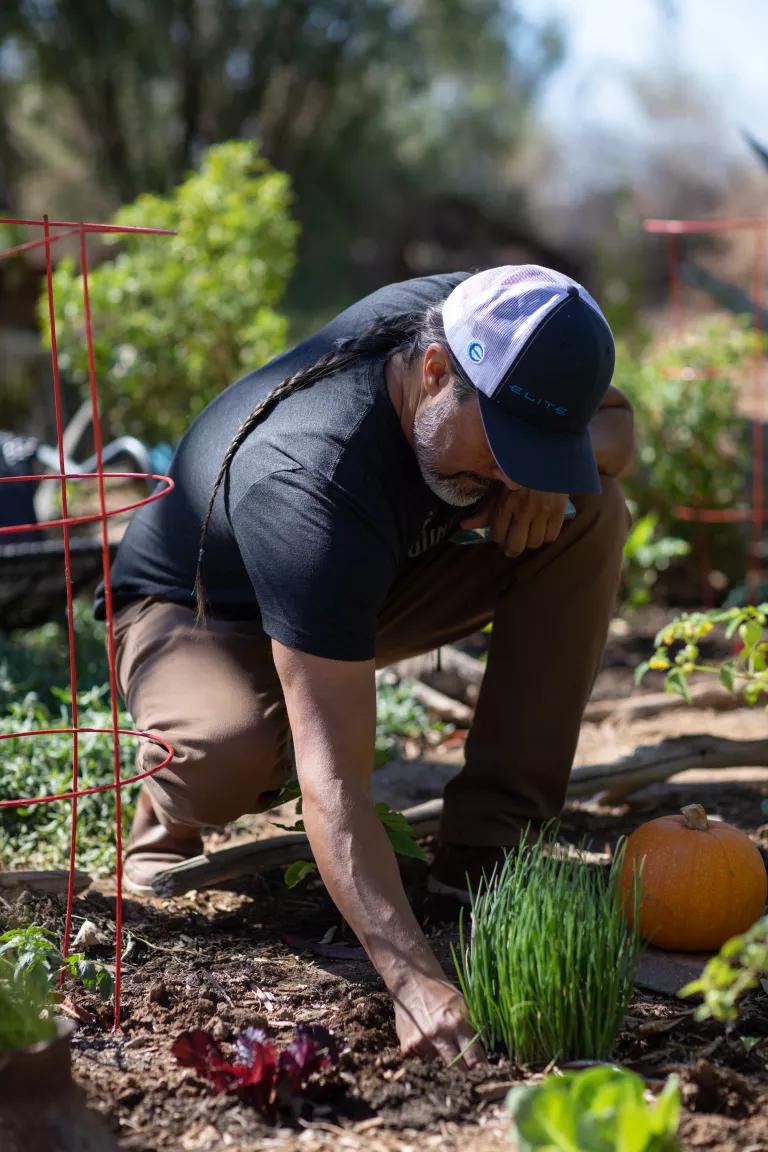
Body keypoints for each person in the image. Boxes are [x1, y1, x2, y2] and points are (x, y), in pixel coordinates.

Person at [102, 265, 634, 1069]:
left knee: (588, 510)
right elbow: (337, 785)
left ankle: (490, 851)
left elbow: (620, 432)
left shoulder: (515, 322)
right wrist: (413, 980)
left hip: (369, 578)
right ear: (433, 373)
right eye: (501, 443)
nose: (510, 467)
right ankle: (166, 808)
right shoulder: (309, 474)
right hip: (205, 611)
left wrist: (542, 467)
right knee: (232, 752)